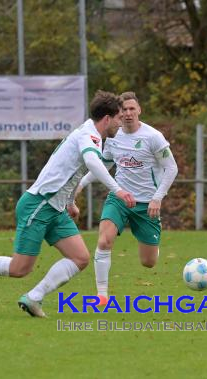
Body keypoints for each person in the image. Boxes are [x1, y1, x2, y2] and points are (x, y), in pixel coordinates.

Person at [0, 90, 136, 318]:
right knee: (19, 269)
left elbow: (72, 172)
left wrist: (70, 201)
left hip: (55, 208)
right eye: (118, 119)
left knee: (80, 258)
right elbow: (92, 162)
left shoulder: (92, 135)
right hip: (39, 204)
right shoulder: (90, 136)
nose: (120, 124)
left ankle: (33, 298)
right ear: (107, 118)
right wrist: (118, 190)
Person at [72, 91, 178, 306]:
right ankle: (102, 296)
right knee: (104, 240)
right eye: (124, 110)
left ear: (139, 110)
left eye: (132, 109)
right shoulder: (114, 136)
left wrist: (158, 198)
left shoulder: (153, 137)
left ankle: (152, 242)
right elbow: (105, 165)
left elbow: (171, 168)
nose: (128, 114)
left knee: (148, 262)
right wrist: (81, 184)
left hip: (147, 204)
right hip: (119, 198)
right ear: (118, 113)